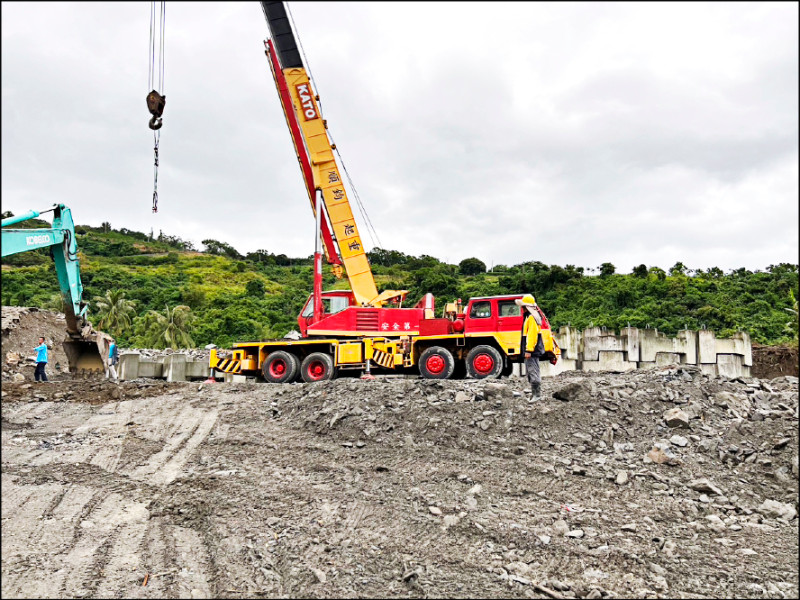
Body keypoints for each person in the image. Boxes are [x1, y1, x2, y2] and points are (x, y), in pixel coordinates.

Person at [515, 294, 544, 401]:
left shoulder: (531, 318)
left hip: (532, 351)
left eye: (523, 306)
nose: (521, 309)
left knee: (533, 371)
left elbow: (532, 336)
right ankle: (534, 394)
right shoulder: (530, 316)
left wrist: (528, 350)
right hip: (531, 350)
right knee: (531, 371)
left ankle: (537, 395)